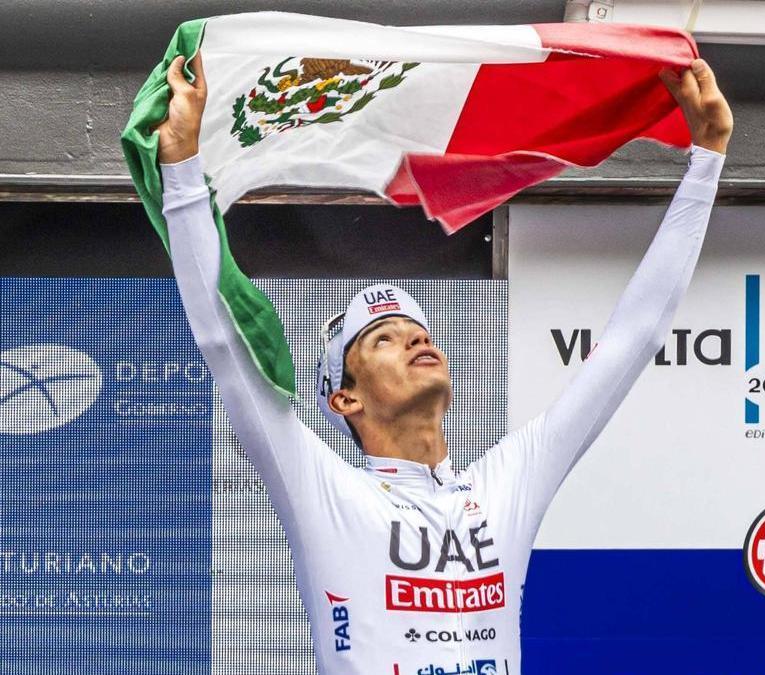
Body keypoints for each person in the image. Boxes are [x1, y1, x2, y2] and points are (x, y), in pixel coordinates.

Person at [156, 49, 732, 675]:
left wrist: (707, 159)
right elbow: (222, 341)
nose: (412, 340)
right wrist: (182, 171)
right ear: (344, 398)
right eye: (381, 339)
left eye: (417, 331)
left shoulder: (506, 483)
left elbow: (635, 338)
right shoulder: (325, 491)